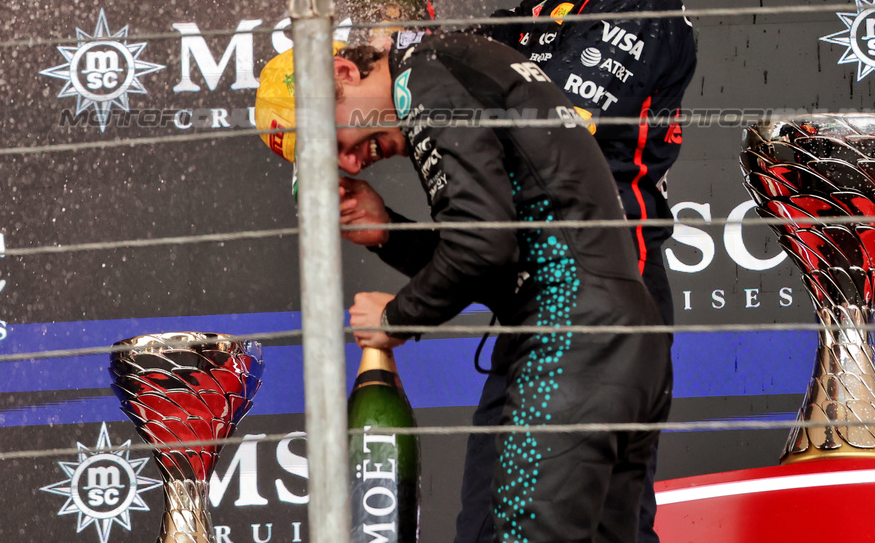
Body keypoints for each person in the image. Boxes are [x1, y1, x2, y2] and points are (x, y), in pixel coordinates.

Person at [333, 0, 696, 543]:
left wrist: (397, 30)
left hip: (589, 312)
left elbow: (531, 129)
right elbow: (431, 77)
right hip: (556, 306)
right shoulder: (539, 8)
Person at [256, 31, 672, 543]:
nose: (350, 163)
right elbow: (507, 261)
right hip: (620, 342)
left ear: (342, 73)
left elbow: (482, 245)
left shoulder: (421, 75)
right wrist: (388, 232)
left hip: (571, 347)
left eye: (331, 142)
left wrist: (396, 317)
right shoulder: (450, 66)